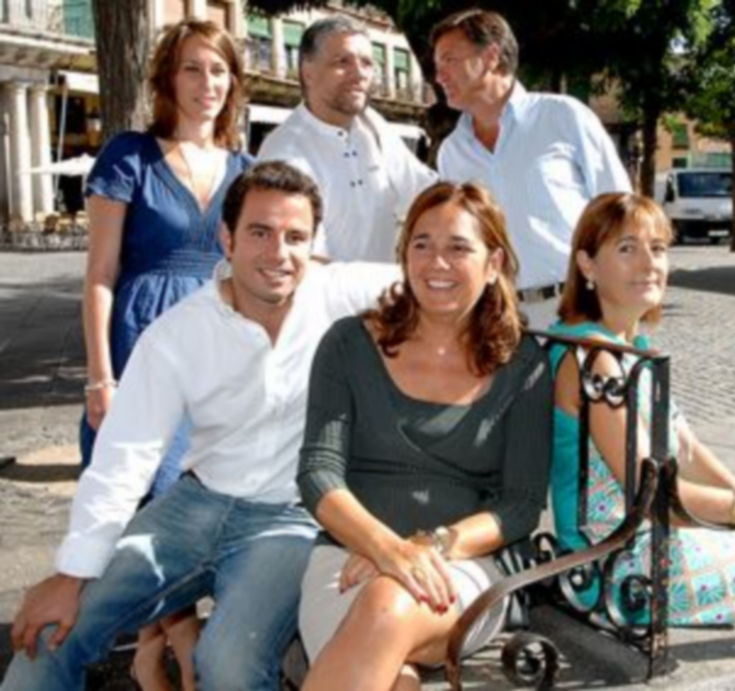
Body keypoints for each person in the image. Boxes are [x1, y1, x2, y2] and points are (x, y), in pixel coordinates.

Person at [1, 162, 399, 691]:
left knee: (228, 664)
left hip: (293, 517)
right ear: (226, 238)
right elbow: (125, 457)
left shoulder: (340, 293)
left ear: (313, 245)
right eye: (260, 232)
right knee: (51, 631)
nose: (278, 253)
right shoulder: (178, 332)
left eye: (295, 237)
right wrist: (72, 573)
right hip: (195, 505)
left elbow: (436, 276)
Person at [296, 181, 552, 690]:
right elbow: (318, 473)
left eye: (458, 247)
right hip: (349, 557)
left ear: (493, 262)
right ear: (404, 254)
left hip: (465, 567)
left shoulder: (522, 364)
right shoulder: (348, 344)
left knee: (387, 603)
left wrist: (425, 547)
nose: (437, 263)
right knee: (398, 680)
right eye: (422, 244)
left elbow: (521, 504)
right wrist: (386, 549)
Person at [78, 19, 252, 688]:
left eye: (218, 70)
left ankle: (157, 649)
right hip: (142, 343)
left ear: (233, 82)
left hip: (215, 349)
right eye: (192, 69)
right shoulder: (130, 156)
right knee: (148, 500)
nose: (207, 83)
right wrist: (101, 375)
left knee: (195, 502)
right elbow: (98, 273)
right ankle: (181, 646)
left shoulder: (244, 169)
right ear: (166, 80)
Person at [547, 191, 735, 626]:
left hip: (651, 542)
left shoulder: (631, 348)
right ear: (587, 265)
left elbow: (688, 452)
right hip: (619, 567)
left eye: (658, 248)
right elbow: (653, 494)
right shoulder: (595, 357)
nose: (649, 264)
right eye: (627, 249)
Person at [431, 9, 632, 327]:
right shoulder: (451, 153)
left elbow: (621, 211)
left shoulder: (564, 118)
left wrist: (623, 308)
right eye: (437, 64)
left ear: (491, 57)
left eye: (449, 60)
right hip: (499, 318)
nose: (439, 75)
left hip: (580, 308)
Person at [257, 16, 436, 262]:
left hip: (383, 297)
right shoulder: (285, 151)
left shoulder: (372, 126)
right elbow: (304, 259)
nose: (359, 74)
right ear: (308, 72)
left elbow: (427, 193)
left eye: (367, 63)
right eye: (343, 62)